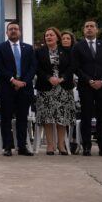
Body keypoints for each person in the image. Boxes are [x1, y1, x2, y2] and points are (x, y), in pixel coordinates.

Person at [0, 20, 36, 157]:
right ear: (7, 32)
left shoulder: (28, 48)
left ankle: (22, 147)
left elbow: (33, 67)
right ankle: (7, 147)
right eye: (10, 29)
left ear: (20, 32)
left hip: (24, 89)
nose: (13, 31)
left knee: (22, 118)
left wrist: (23, 82)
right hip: (6, 88)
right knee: (6, 118)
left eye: (15, 29)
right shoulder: (0, 47)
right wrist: (13, 80)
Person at [71, 19, 102, 157]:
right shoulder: (78, 47)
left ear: (96, 29)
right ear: (84, 30)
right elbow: (76, 67)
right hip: (86, 86)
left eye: (92, 26)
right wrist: (89, 80)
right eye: (86, 27)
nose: (89, 28)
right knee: (86, 116)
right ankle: (87, 147)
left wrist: (101, 80)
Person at [34, 27, 75, 155]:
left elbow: (72, 66)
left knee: (62, 118)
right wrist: (48, 78)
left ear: (57, 37)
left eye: (51, 35)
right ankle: (50, 145)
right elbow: (37, 68)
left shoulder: (66, 51)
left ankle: (61, 145)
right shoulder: (39, 52)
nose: (48, 37)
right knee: (48, 118)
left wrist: (62, 78)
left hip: (63, 88)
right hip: (46, 88)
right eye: (46, 35)